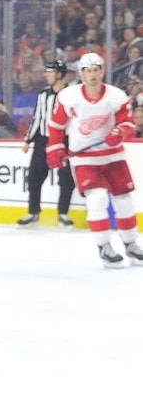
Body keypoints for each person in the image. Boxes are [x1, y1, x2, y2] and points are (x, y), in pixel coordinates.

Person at [47, 52, 143, 266]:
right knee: (97, 199)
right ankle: (104, 247)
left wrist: (119, 132)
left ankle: (131, 244)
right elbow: (56, 125)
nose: (93, 75)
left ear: (102, 72)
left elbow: (127, 122)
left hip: (113, 155)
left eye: (96, 70)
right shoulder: (69, 97)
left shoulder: (116, 96)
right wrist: (54, 148)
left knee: (124, 200)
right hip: (84, 158)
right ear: (82, 73)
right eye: (88, 71)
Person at [17, 60, 75, 227]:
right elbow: (38, 118)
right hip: (43, 140)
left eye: (50, 72)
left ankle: (63, 213)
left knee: (66, 178)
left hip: (65, 141)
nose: (46, 75)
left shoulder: (71, 95)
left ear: (59, 75)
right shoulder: (43, 94)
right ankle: (33, 211)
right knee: (34, 176)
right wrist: (28, 139)